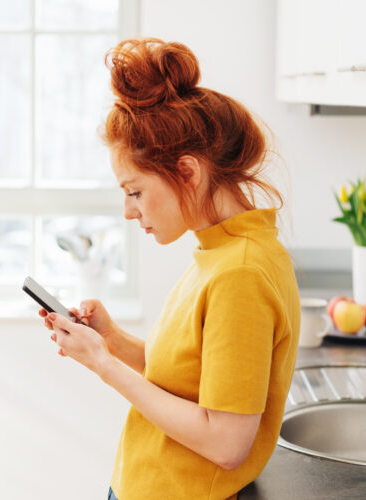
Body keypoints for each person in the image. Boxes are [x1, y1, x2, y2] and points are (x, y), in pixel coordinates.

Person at [38, 38, 301, 500]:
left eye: (135, 192)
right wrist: (112, 341)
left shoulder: (240, 273)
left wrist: (101, 364)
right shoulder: (223, 251)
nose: (128, 211)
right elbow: (196, 380)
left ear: (188, 171)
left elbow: (226, 442)